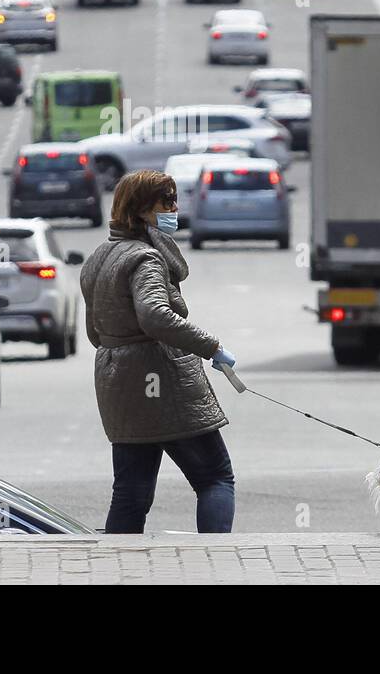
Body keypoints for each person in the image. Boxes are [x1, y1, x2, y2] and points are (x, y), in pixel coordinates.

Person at [79, 169, 237, 534]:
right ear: (140, 210)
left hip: (118, 384)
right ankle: (217, 559)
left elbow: (94, 332)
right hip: (163, 382)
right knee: (214, 477)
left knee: (131, 492)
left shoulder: (98, 259)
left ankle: (118, 565)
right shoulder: (145, 259)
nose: (175, 208)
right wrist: (212, 347)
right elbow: (155, 316)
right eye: (166, 201)